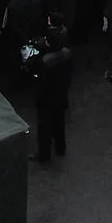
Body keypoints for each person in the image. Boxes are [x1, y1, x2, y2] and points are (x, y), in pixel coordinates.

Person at [31, 24, 73, 163]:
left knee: (44, 127)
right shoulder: (66, 55)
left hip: (47, 99)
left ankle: (44, 154)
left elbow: (43, 83)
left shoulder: (45, 62)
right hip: (61, 95)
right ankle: (60, 148)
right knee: (59, 123)